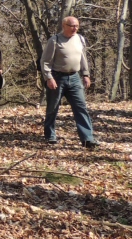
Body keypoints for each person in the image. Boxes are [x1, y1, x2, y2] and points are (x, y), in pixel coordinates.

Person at [40, 16, 98, 149]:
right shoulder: (54, 40)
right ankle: (50, 135)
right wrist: (49, 77)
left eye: (77, 26)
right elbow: (45, 61)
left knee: (81, 107)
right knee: (53, 108)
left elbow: (82, 57)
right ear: (64, 25)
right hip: (57, 77)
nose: (75, 28)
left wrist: (85, 74)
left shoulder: (79, 39)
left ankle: (87, 139)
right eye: (72, 26)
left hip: (74, 77)